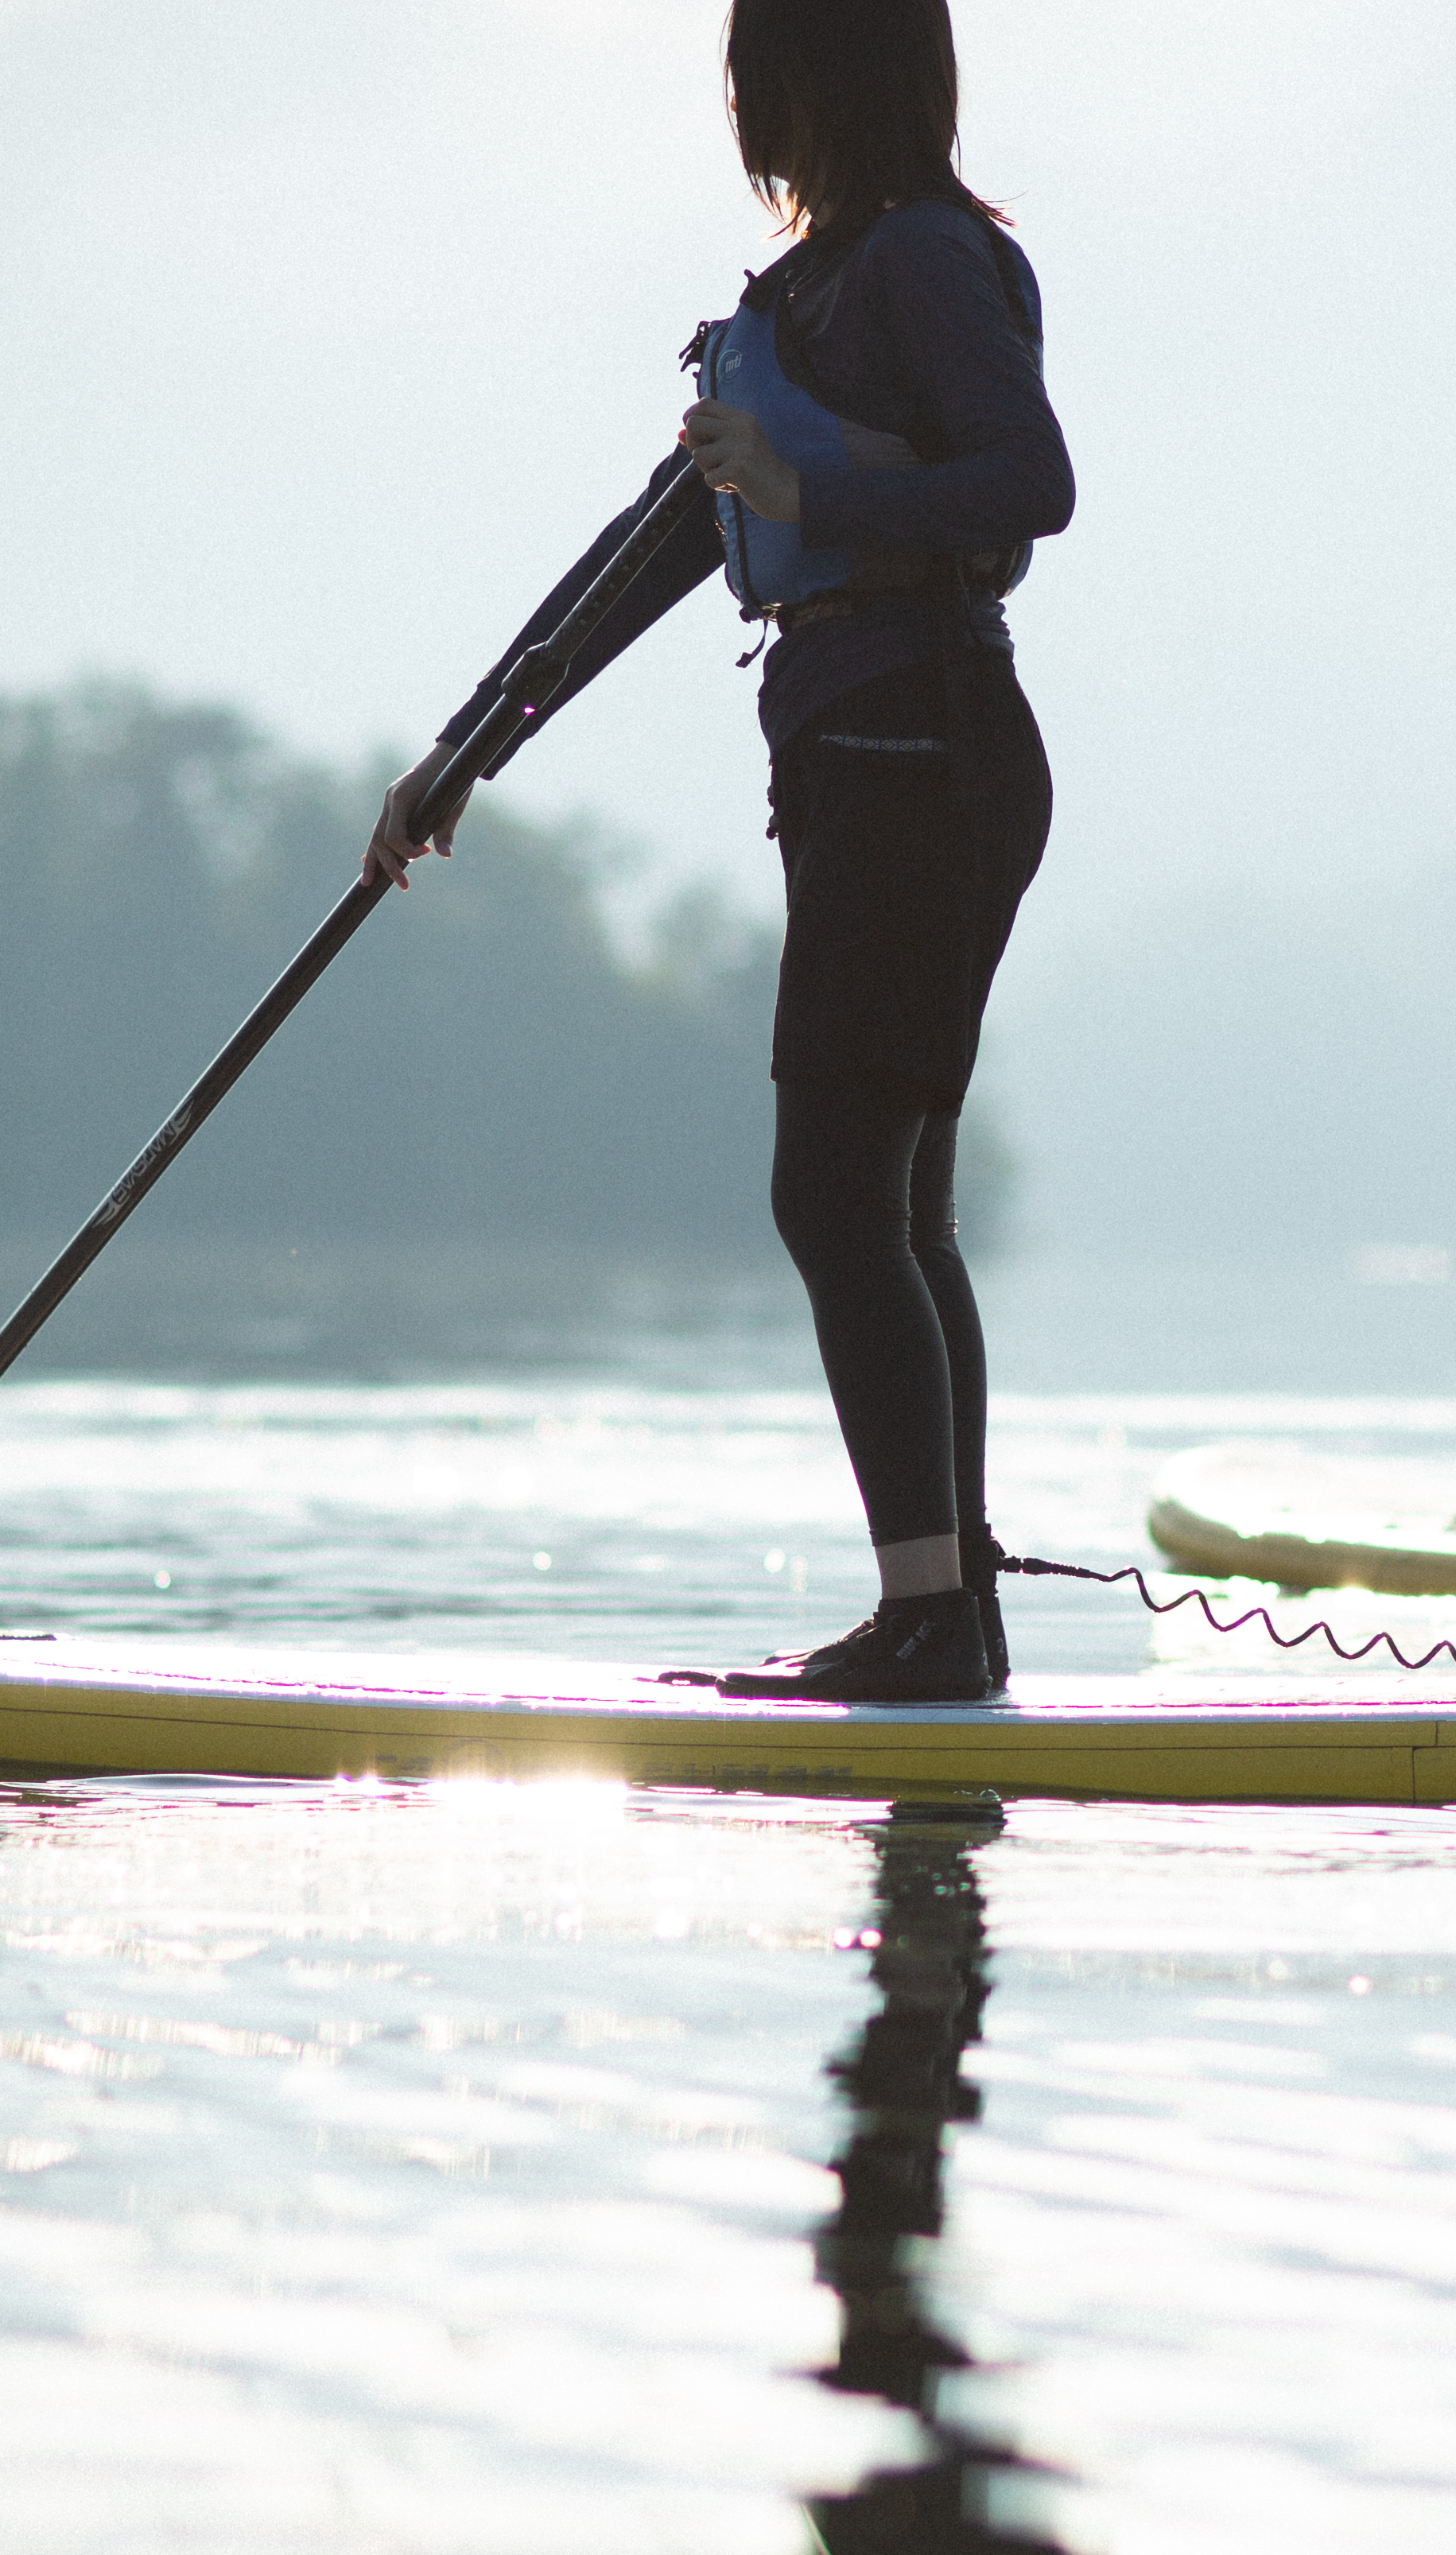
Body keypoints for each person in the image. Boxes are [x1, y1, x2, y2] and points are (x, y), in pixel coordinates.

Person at [367, 0, 1064, 1702]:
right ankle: (947, 1612)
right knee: (893, 1204)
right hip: (861, 760)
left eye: (757, 61)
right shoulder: (798, 296)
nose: (738, 94)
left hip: (933, 750)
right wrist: (467, 749)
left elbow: (1028, 483)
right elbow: (656, 543)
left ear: (823, 73)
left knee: (836, 1194)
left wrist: (816, 496)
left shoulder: (922, 262)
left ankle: (927, 1623)